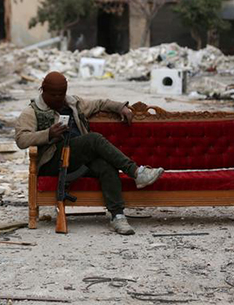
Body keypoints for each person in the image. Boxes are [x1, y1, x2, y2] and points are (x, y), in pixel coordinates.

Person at [15, 71, 164, 235]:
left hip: (78, 159)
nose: (58, 98)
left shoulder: (74, 104)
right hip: (53, 161)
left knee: (106, 165)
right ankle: (136, 172)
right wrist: (48, 134)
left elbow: (100, 104)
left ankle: (118, 216)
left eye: (61, 94)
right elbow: (21, 139)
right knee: (93, 139)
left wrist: (120, 107)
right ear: (43, 91)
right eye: (53, 95)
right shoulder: (32, 111)